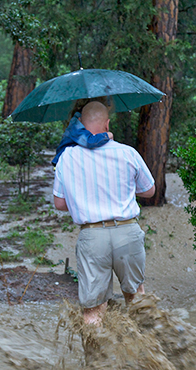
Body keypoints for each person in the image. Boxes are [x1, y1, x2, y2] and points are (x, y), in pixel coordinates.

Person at [53, 101, 156, 325]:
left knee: (93, 309)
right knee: (137, 297)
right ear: (107, 123)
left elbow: (59, 203)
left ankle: (97, 360)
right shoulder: (127, 152)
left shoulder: (66, 157)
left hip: (92, 236)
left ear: (80, 124)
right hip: (127, 231)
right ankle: (148, 356)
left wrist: (83, 198)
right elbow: (149, 190)